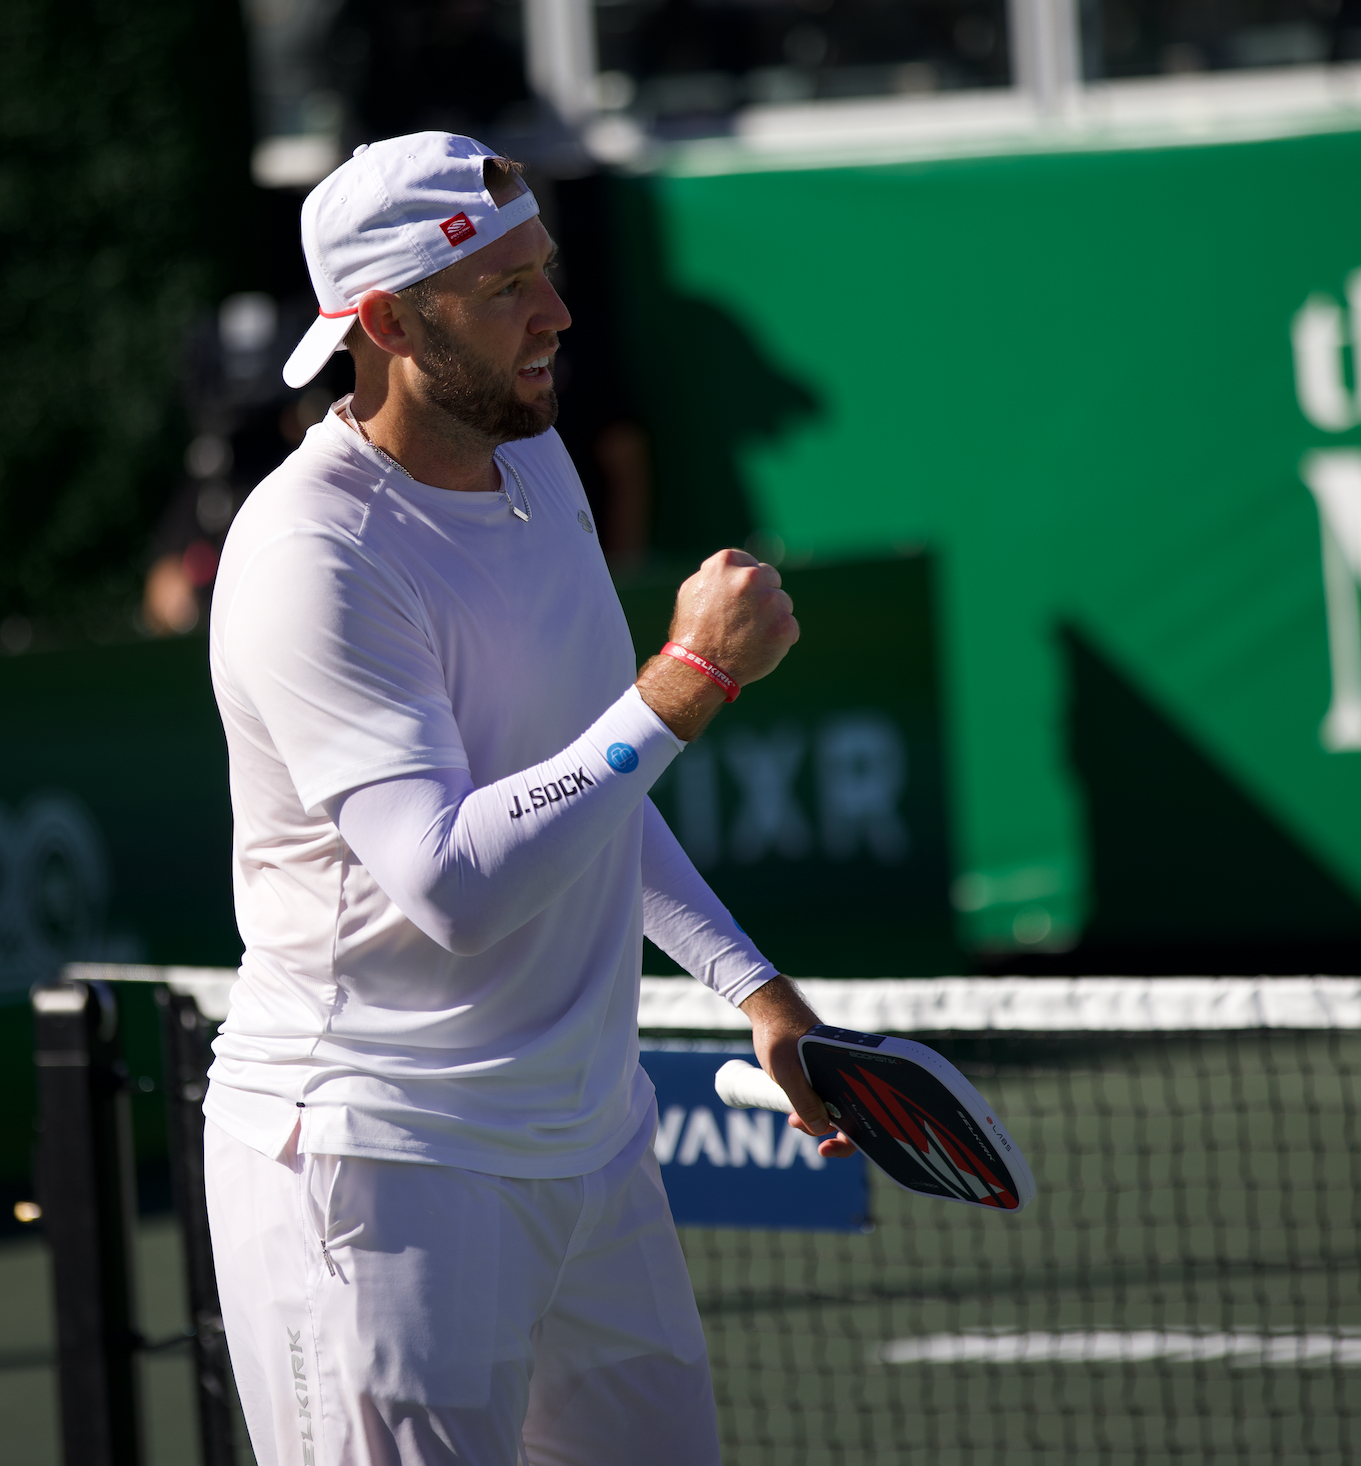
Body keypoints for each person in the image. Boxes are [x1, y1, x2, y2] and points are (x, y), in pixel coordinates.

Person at [203, 131, 852, 1466]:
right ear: (385, 321)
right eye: (504, 290)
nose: (554, 313)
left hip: (590, 1140)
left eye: (544, 272)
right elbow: (451, 882)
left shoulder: (536, 460)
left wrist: (752, 985)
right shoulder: (307, 555)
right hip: (384, 1163)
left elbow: (584, 779)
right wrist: (685, 680)